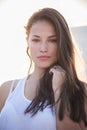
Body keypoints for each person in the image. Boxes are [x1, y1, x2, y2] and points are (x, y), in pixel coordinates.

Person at [0, 7, 87, 130]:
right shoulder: (7, 89)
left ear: (62, 43)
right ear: (27, 42)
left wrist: (59, 91)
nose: (43, 48)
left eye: (52, 40)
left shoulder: (80, 91)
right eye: (36, 40)